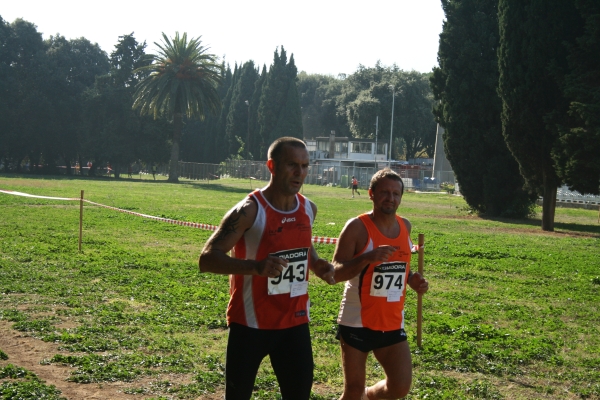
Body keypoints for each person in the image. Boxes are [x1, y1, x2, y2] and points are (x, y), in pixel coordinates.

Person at [199, 137, 335, 399]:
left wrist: (317, 263)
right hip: (251, 324)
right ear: (271, 166)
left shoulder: (308, 209)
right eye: (292, 165)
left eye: (305, 166)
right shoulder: (249, 210)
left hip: (294, 322)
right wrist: (256, 267)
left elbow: (303, 246)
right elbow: (207, 259)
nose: (300, 173)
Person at [332, 168, 429, 400]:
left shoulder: (405, 226)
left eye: (396, 193)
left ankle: (368, 397)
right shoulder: (357, 227)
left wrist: (412, 278)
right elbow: (334, 273)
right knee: (352, 391)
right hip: (357, 322)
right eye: (385, 192)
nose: (391, 198)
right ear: (371, 194)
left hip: (392, 322)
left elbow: (400, 266)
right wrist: (367, 257)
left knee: (399, 386)